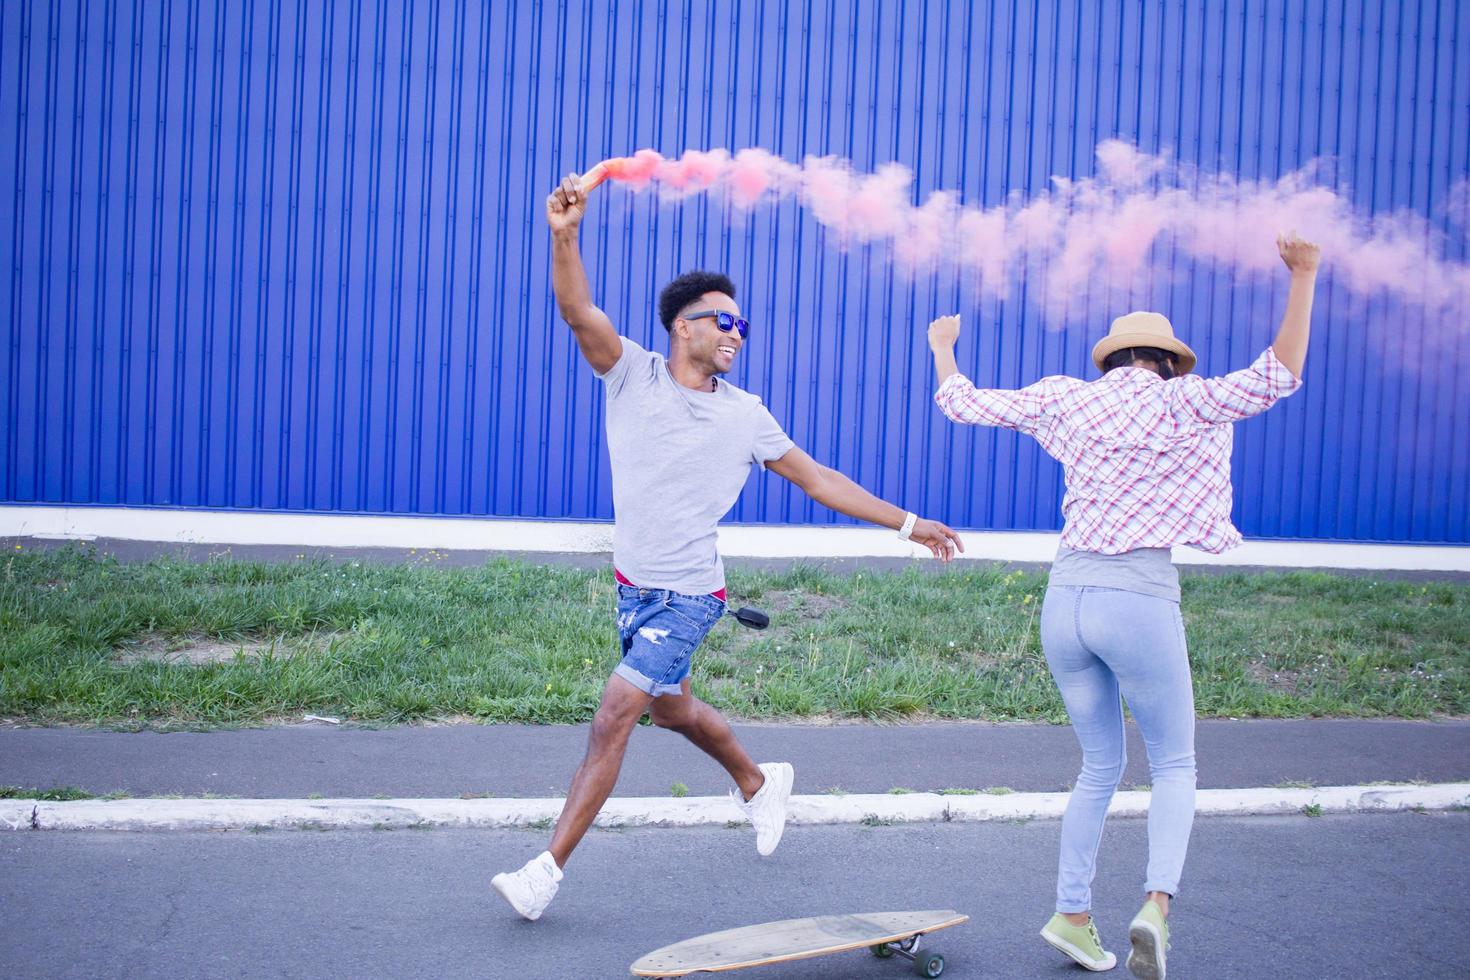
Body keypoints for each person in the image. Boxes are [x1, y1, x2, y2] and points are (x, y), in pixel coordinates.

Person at [491, 172, 965, 921]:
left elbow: (818, 480)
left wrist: (909, 524)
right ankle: (757, 781)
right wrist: (564, 235)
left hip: (688, 596)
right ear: (686, 326)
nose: (739, 335)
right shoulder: (632, 375)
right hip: (634, 586)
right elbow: (577, 309)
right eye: (726, 323)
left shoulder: (747, 416)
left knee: (616, 713)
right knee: (670, 712)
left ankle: (545, 871)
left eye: (744, 326)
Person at [928, 234, 1321, 977]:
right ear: (1168, 362)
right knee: (1174, 763)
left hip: (1065, 598)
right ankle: (1155, 908)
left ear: (1110, 362)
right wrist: (1302, 274)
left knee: (1098, 766)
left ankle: (1072, 914)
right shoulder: (1190, 401)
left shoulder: (1065, 398)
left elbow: (959, 402)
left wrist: (944, 345)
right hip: (1137, 594)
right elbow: (1282, 372)